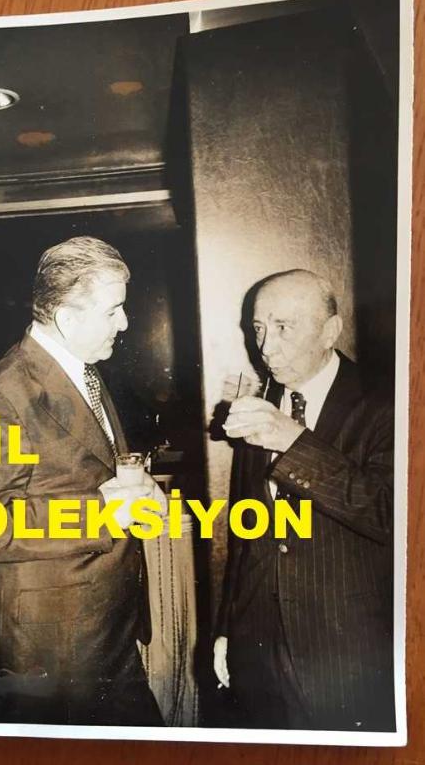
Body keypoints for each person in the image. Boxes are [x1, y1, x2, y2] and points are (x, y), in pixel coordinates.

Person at [0, 236, 164, 726]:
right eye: (113, 311)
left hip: (103, 630)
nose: (124, 323)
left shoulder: (81, 369)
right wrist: (101, 512)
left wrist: (136, 490)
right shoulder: (2, 395)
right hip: (56, 651)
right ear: (67, 318)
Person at [214, 269, 395, 731]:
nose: (265, 347)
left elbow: (391, 513)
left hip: (346, 648)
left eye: (283, 328)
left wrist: (293, 442)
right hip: (258, 645)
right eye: (258, 328)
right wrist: (227, 629)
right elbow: (247, 528)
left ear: (329, 331)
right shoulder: (263, 401)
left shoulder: (388, 401)